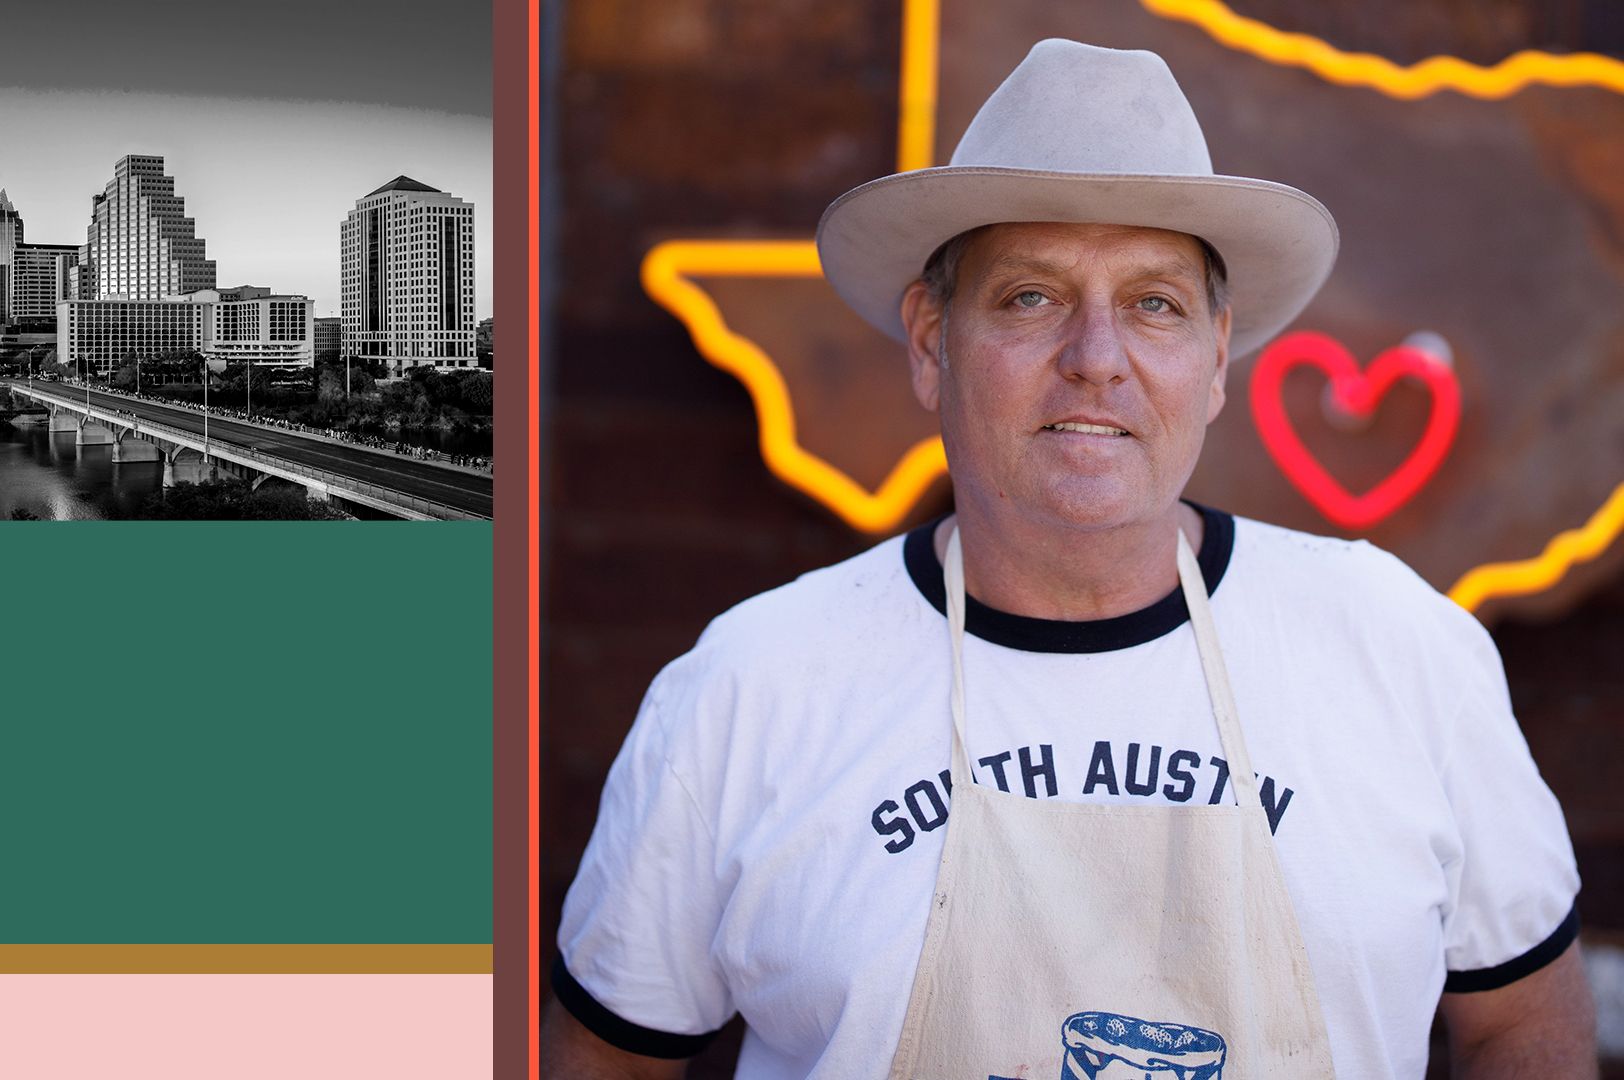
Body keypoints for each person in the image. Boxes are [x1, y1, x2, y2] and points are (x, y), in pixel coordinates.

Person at [543, 38, 1593, 1080]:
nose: (1098, 360)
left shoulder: (1398, 649)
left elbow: (1520, 1023)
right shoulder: (751, 688)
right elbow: (610, 1058)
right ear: (929, 342)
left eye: (1155, 304)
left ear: (1215, 359)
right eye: (1031, 297)